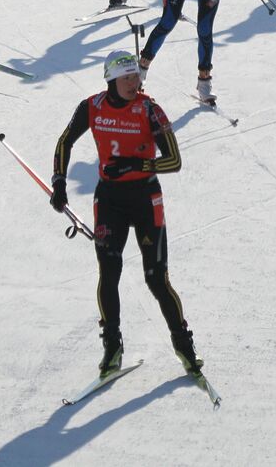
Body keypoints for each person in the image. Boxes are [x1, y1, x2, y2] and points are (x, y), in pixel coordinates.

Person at [50, 51, 203, 379]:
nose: (135, 83)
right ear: (111, 80)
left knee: (156, 279)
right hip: (109, 200)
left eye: (136, 76)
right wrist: (59, 181)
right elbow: (65, 141)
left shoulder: (149, 110)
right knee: (109, 273)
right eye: (127, 78)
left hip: (146, 198)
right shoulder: (92, 107)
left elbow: (174, 161)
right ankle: (112, 346)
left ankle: (184, 345)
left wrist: (137, 164)